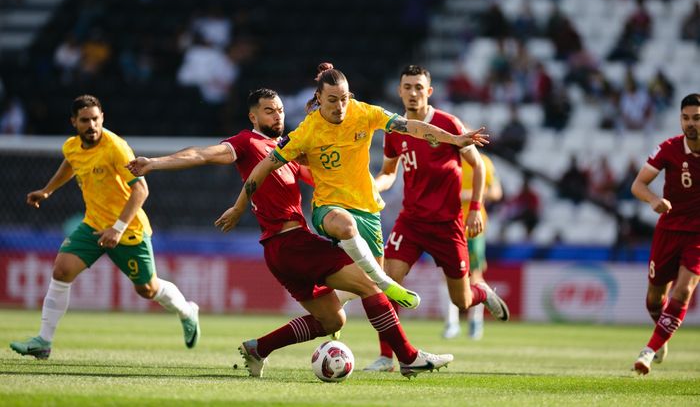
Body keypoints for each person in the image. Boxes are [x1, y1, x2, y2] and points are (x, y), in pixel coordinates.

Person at [127, 88, 454, 378]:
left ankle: (259, 348)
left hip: (282, 252)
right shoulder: (247, 142)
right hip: (291, 242)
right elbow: (200, 154)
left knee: (333, 321)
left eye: (281, 109)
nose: (277, 115)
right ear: (253, 115)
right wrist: (154, 164)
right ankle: (408, 357)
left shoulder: (290, 150)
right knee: (371, 284)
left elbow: (325, 176)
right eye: (269, 110)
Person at [215, 63, 488, 315]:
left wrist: (452, 138)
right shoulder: (307, 132)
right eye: (333, 100)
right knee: (354, 239)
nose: (340, 106)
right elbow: (263, 167)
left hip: (367, 209)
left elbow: (411, 128)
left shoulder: (365, 113)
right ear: (319, 99)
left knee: (378, 290)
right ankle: (385, 315)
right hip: (329, 209)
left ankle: (352, 318)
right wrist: (240, 207)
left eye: (344, 99)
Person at [10, 95, 199, 360]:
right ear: (74, 122)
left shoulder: (116, 148)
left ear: (102, 119)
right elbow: (71, 163)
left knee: (147, 289)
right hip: (93, 224)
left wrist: (118, 228)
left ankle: (187, 311)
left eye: (95, 120)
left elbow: (141, 190)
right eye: (85, 120)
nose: (91, 126)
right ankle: (43, 341)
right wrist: (47, 190)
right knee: (62, 270)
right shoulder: (72, 146)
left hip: (128, 228)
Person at [363, 65, 510, 371]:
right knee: (388, 283)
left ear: (428, 91)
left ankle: (482, 293)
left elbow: (478, 166)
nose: (413, 92)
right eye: (408, 87)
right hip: (411, 221)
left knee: (461, 301)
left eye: (419, 87)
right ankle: (386, 357)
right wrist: (373, 189)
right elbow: (389, 173)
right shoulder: (395, 128)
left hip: (447, 225)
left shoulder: (447, 124)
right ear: (400, 91)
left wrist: (473, 210)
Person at [631, 93, 700, 375]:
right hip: (669, 230)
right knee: (653, 299)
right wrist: (653, 200)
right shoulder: (669, 148)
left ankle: (648, 351)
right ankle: (663, 336)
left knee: (684, 290)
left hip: (697, 234)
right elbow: (638, 184)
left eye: (696, 118)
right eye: (686, 118)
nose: (690, 124)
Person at [443, 152, 503, 340]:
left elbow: (496, 192)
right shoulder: (449, 162)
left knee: (475, 274)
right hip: (450, 226)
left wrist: (471, 194)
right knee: (447, 275)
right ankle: (451, 323)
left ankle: (475, 323)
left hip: (474, 228)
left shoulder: (483, 162)